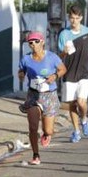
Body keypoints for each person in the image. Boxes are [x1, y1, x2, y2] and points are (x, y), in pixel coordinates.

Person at [18, 31, 67, 165]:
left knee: (48, 130)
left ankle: (47, 134)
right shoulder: (26, 59)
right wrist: (21, 75)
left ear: (42, 42)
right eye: (30, 42)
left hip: (49, 95)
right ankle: (36, 155)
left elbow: (63, 69)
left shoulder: (52, 57)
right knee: (33, 127)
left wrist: (55, 76)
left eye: (36, 41)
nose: (33, 44)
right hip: (33, 95)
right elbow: (21, 70)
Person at [58, 5, 88, 143]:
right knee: (72, 104)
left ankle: (84, 120)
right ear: (69, 18)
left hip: (85, 71)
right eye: (71, 18)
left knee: (81, 101)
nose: (74, 21)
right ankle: (76, 131)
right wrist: (65, 51)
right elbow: (60, 55)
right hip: (69, 73)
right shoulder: (64, 34)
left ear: (80, 18)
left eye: (76, 18)